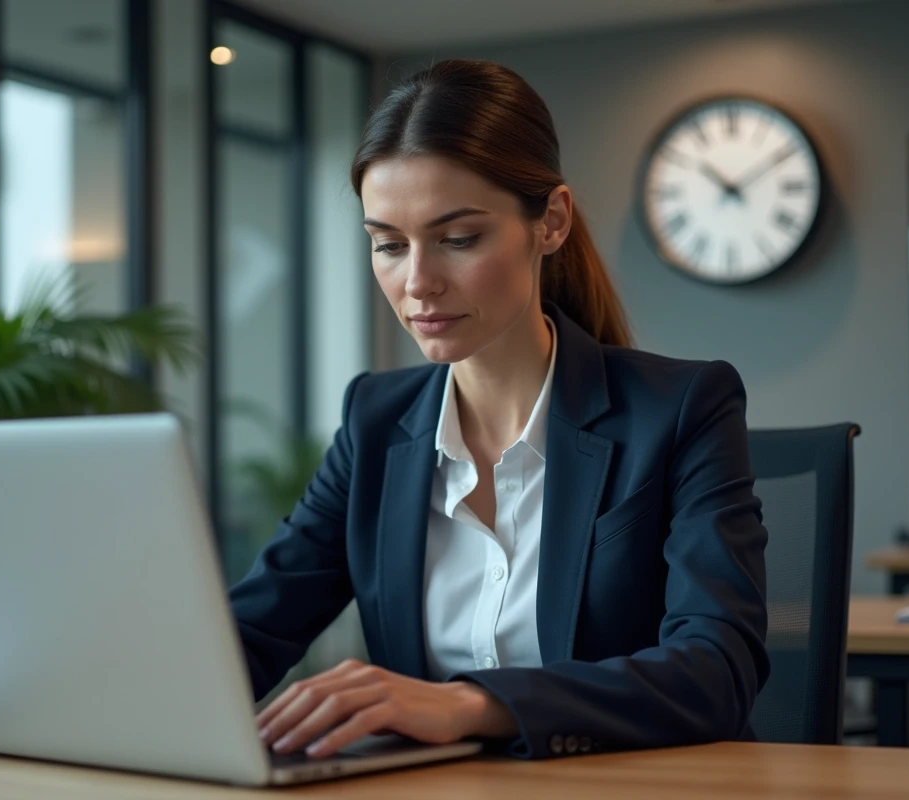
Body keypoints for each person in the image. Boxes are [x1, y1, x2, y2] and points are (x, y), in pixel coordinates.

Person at [230, 58, 770, 761]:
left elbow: (716, 669)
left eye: (458, 239)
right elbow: (251, 631)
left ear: (550, 222)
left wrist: (471, 704)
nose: (417, 283)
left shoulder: (681, 409)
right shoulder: (374, 422)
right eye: (388, 245)